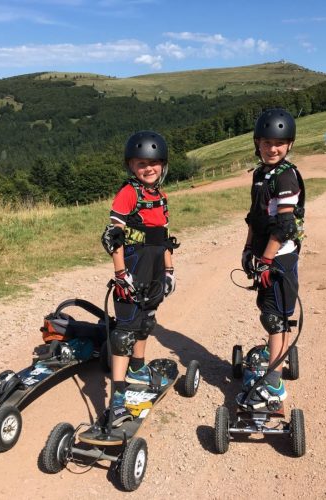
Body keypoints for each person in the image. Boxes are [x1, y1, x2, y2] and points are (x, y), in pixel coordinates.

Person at [100, 130, 178, 427]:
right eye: (141, 163)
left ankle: (137, 369)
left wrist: (169, 270)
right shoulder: (128, 192)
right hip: (132, 263)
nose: (149, 168)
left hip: (156, 264)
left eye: (154, 163)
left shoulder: (160, 195)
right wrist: (120, 274)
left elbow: (165, 237)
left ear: (163, 164)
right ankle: (117, 397)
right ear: (131, 166)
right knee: (124, 331)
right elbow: (114, 236)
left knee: (147, 320)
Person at [238, 108, 305, 410]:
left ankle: (274, 387)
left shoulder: (287, 176)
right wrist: (248, 248)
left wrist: (265, 259)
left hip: (279, 258)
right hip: (264, 255)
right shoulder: (260, 175)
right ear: (258, 144)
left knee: (276, 320)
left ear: (289, 144)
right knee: (267, 313)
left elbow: (284, 226)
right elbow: (255, 217)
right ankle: (271, 359)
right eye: (266, 143)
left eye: (279, 143)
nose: (272, 148)